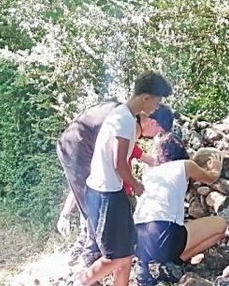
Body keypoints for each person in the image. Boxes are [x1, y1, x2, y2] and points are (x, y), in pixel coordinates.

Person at [74, 72, 172, 286]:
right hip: (106, 193)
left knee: (126, 251)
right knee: (113, 257)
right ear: (146, 98)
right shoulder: (125, 121)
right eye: (157, 102)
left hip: (111, 191)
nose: (156, 108)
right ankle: (80, 285)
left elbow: (126, 155)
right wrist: (136, 184)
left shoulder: (122, 116)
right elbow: (119, 162)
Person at [56, 103, 174, 265]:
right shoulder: (129, 124)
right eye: (159, 132)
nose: (155, 136)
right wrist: (135, 185)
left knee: (96, 197)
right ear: (153, 123)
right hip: (76, 146)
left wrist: (154, 162)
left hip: (76, 143)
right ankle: (91, 254)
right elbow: (118, 164)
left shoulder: (129, 117)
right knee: (95, 201)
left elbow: (132, 152)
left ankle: (91, 247)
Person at [133, 136, 228, 286]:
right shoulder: (185, 165)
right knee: (221, 225)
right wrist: (216, 167)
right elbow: (210, 178)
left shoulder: (150, 174)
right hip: (164, 235)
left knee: (180, 226)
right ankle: (174, 262)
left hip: (139, 239)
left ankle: (160, 264)